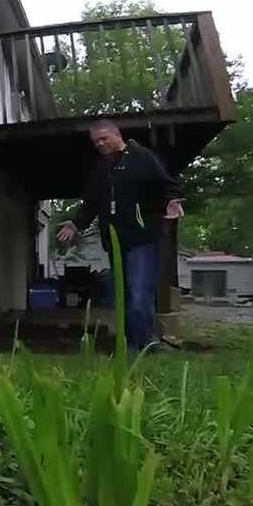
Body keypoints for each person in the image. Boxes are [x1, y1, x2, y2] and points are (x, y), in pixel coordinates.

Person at [55, 120, 184, 353]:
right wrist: (75, 224)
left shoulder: (141, 157)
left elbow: (167, 184)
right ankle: (135, 340)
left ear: (117, 135)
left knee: (139, 292)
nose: (100, 144)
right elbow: (91, 202)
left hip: (142, 238)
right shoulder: (102, 168)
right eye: (96, 141)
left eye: (104, 138)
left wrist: (172, 201)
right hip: (115, 242)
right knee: (123, 295)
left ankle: (139, 345)